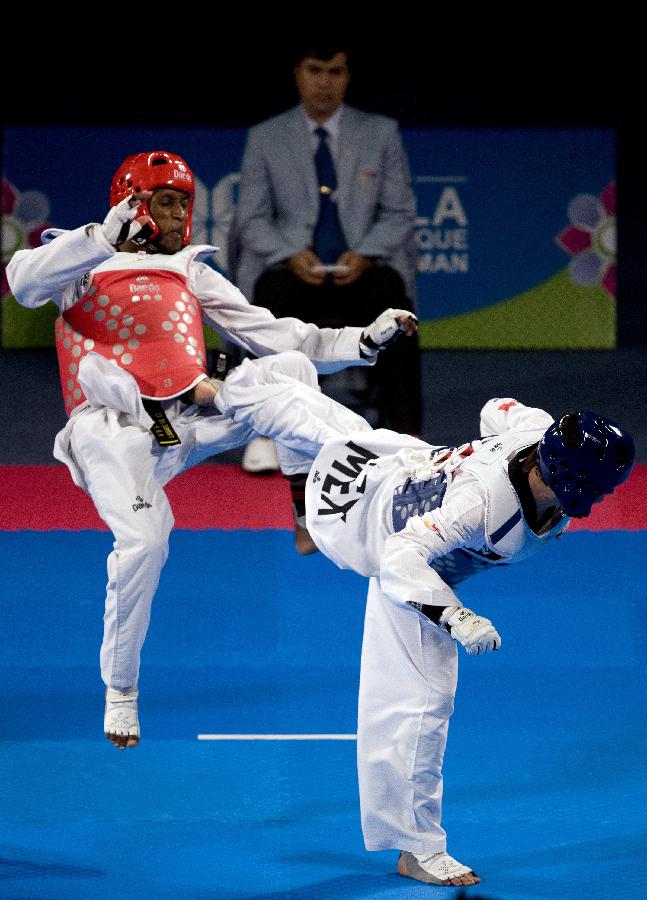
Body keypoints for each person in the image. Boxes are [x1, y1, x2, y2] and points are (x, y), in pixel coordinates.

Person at [6, 149, 417, 751]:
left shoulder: (189, 270)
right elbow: (20, 283)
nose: (179, 217)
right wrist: (99, 237)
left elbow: (283, 333)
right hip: (114, 432)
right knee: (145, 542)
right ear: (133, 203)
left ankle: (325, 496)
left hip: (193, 417)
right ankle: (121, 689)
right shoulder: (78, 260)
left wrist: (362, 339)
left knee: (292, 368)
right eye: (166, 202)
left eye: (183, 204)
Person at [300, 399, 635, 887]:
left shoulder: (538, 432)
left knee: (283, 395)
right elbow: (399, 557)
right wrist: (453, 616)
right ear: (573, 477)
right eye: (599, 487)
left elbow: (495, 409)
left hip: (399, 465)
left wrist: (465, 455)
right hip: (376, 535)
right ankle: (416, 849)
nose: (602, 498)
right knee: (423, 699)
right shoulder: (480, 505)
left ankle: (280, 454)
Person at [234, 45, 422, 474]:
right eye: (314, 70)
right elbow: (252, 218)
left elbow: (400, 213)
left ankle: (408, 438)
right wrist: (290, 254)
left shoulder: (382, 133)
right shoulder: (266, 136)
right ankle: (266, 431)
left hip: (362, 271)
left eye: (334, 71)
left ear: (348, 76)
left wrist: (367, 253)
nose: (324, 81)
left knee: (393, 301)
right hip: (294, 272)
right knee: (270, 294)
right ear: (298, 74)